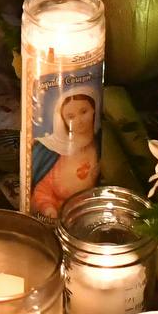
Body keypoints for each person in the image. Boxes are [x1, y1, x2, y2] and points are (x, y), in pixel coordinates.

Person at [29, 86, 100, 217]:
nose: (79, 121)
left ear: (94, 109)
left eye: (84, 111)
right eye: (71, 116)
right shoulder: (55, 151)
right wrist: (48, 208)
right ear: (63, 120)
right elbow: (43, 190)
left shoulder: (97, 143)